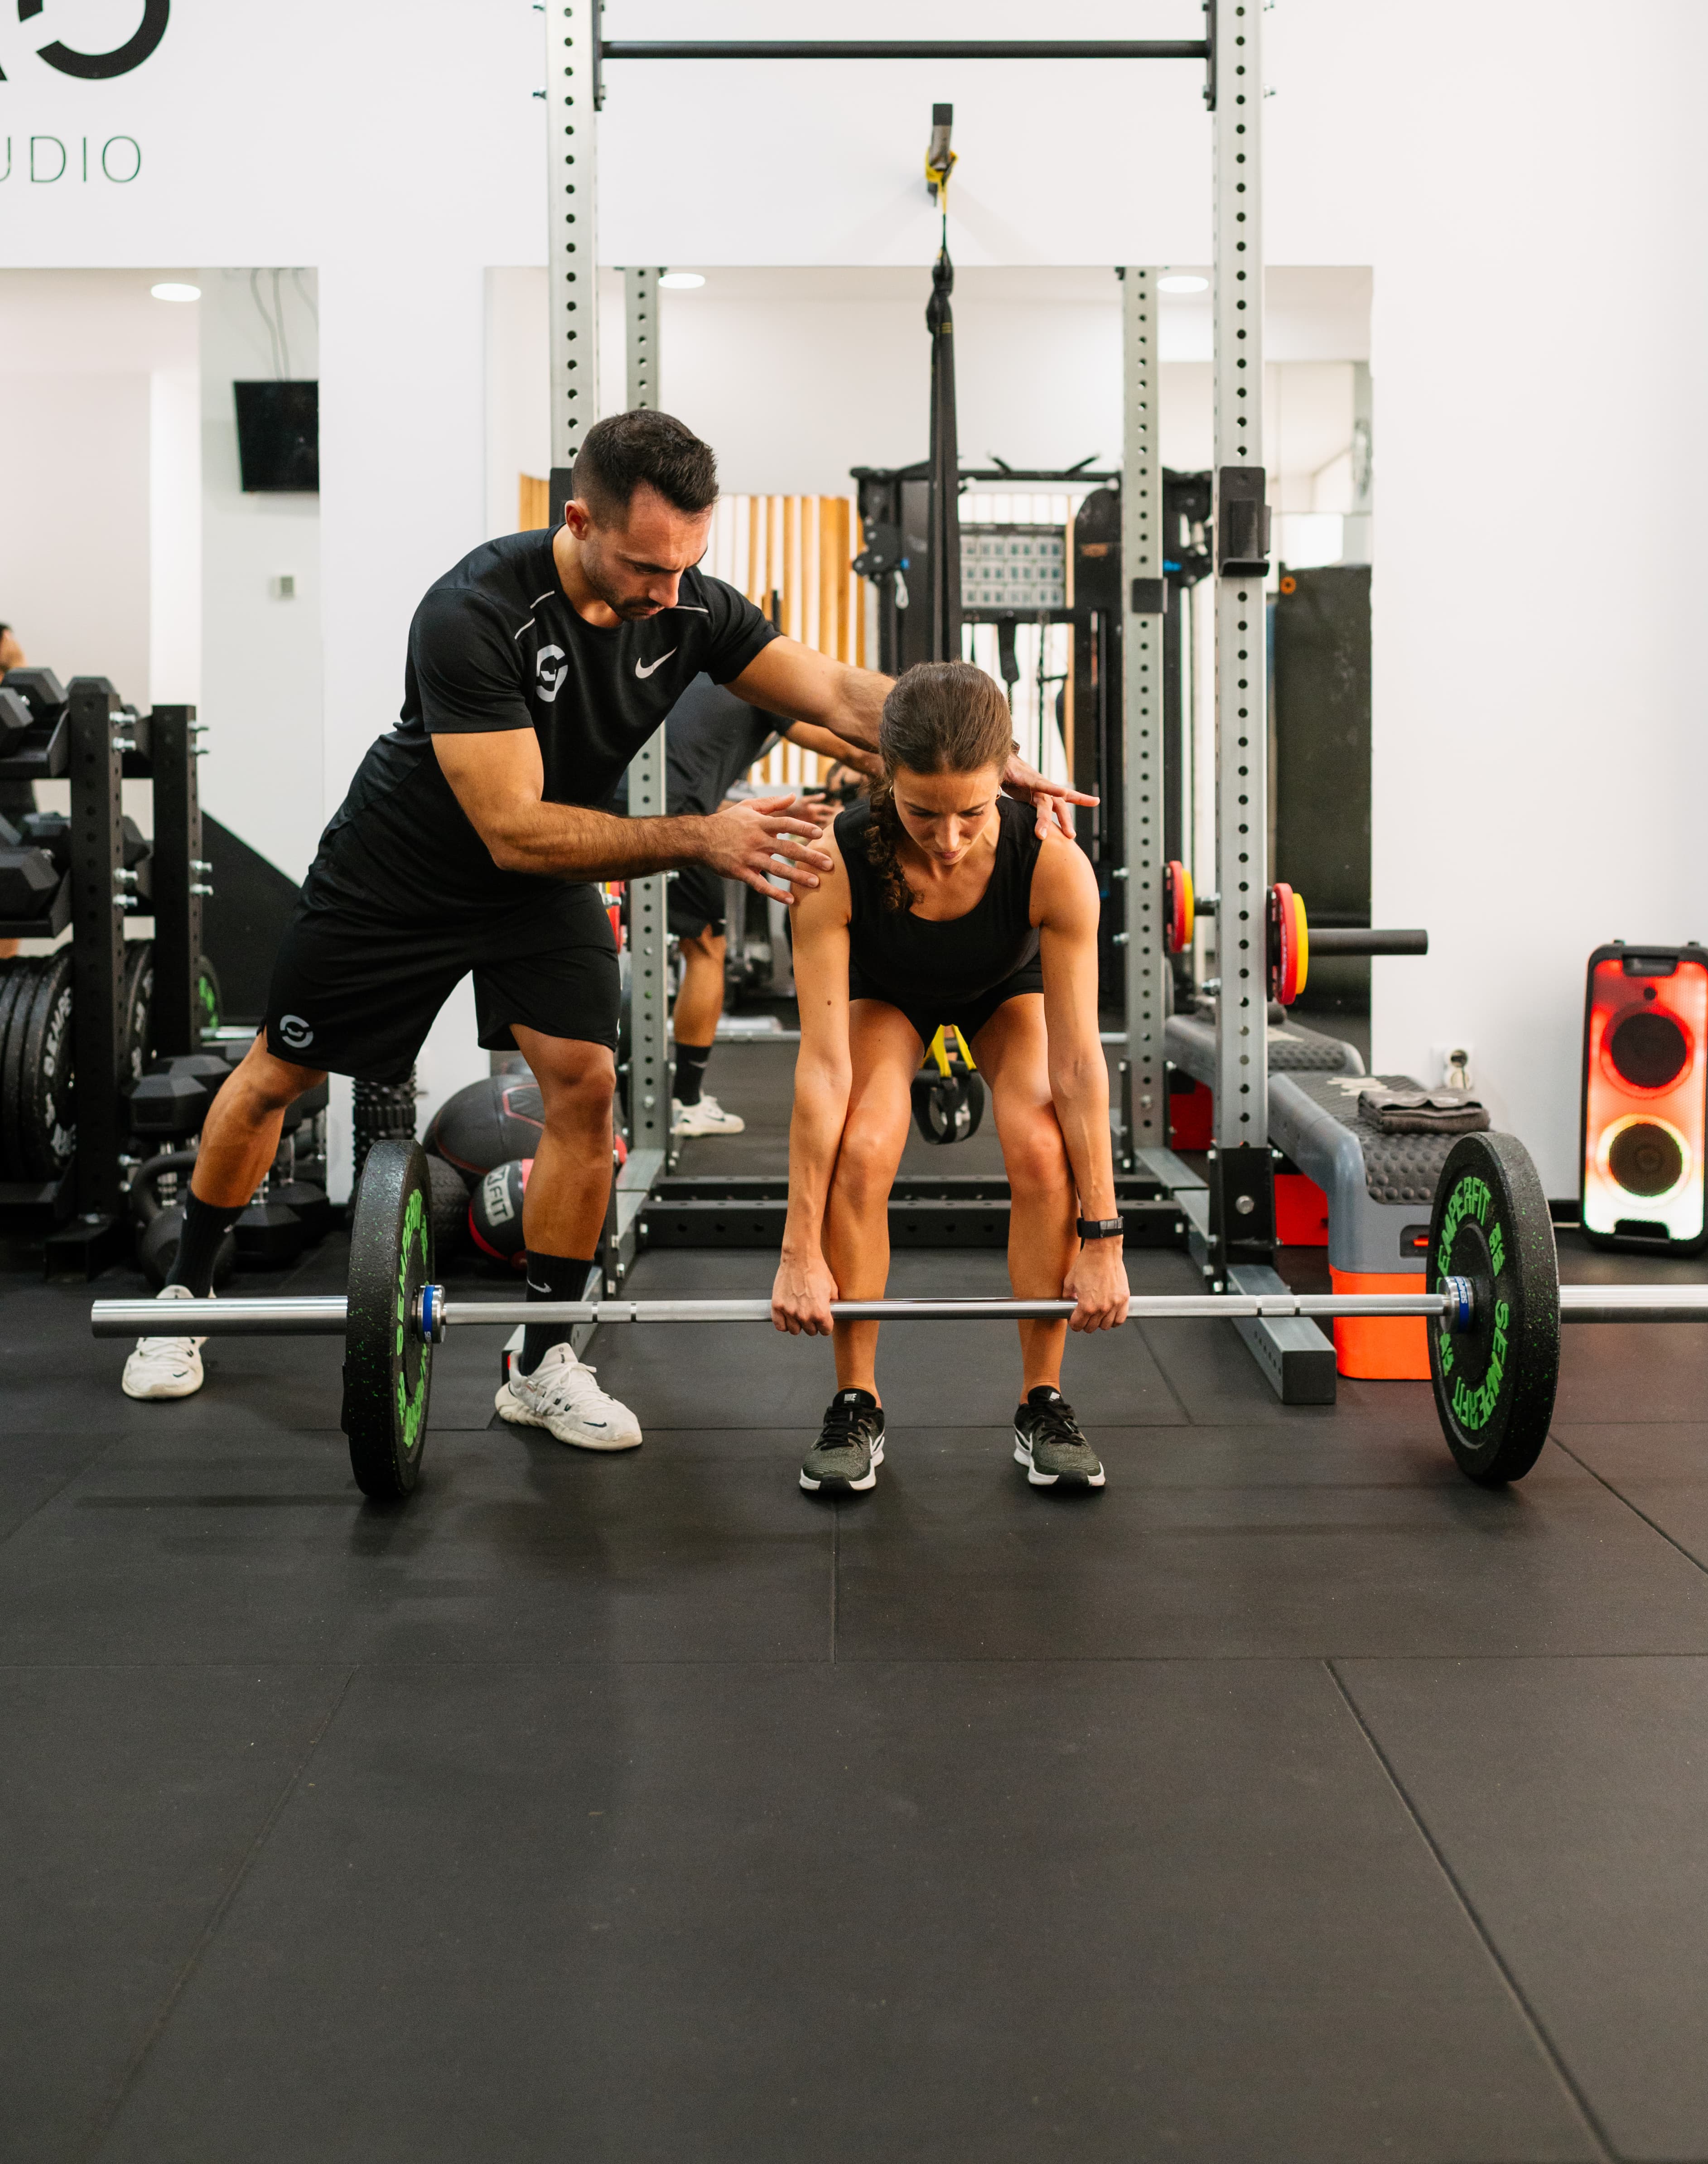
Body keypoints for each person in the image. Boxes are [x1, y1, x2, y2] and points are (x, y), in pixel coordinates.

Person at [121, 410, 1089, 1434]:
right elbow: (511, 829)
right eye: (644, 565)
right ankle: (181, 1293)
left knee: (584, 1089)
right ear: (577, 520)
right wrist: (702, 837)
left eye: (687, 566)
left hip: (540, 883)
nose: (668, 592)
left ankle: (540, 1359)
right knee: (281, 1071)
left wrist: (978, 756)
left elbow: (844, 694)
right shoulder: (473, 611)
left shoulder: (685, 605)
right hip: (400, 874)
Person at [772, 659, 1128, 1495]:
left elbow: (1079, 1066)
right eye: (923, 812)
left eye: (972, 812)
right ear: (884, 777)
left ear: (1005, 772)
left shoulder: (1051, 864)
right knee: (863, 1141)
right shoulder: (837, 861)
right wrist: (797, 1252)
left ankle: (1043, 1402)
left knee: (1041, 1143)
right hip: (887, 999)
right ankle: (855, 1401)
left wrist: (1103, 1239)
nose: (950, 838)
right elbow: (821, 1071)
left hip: (1006, 995)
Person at [656, 672, 878, 1137]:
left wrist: (782, 815)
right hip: (672, 818)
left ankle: (665, 1096)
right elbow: (856, 751)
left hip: (636, 810)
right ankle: (686, 1102)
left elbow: (694, 785)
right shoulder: (766, 685)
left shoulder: (694, 684)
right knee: (706, 952)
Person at [0, 622, 36, 964]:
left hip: (15, 802)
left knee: (14, 895)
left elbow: (28, 711)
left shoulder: (15, 694)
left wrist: (16, 662)